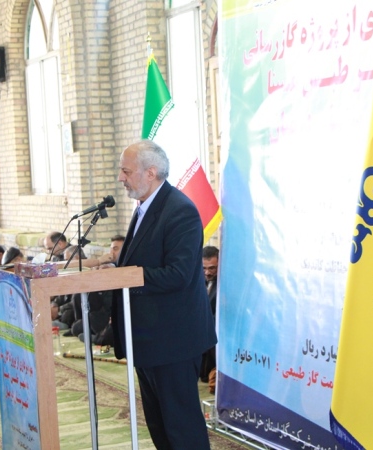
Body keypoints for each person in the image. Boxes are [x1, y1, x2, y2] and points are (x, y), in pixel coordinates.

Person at [112, 140, 216, 449]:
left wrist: (125, 277)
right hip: (147, 339)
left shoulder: (180, 210)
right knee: (159, 426)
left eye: (126, 171)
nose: (120, 178)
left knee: (182, 428)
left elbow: (178, 274)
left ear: (151, 172)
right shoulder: (145, 207)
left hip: (174, 341)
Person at [200, 245, 219, 386]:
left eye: (212, 268)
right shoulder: (198, 279)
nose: (207, 272)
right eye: (204, 268)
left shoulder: (226, 284)